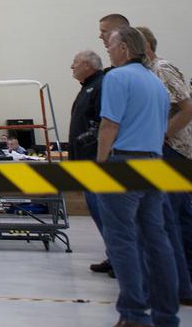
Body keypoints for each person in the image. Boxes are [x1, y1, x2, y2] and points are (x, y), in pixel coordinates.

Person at [97, 26, 181, 327]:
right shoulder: (155, 83)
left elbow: (109, 125)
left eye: (111, 44)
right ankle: (167, 315)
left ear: (124, 49)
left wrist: (101, 164)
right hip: (153, 164)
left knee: (122, 241)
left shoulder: (117, 77)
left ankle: (133, 314)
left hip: (124, 164)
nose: (107, 48)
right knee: (156, 241)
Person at [137, 26, 192, 299]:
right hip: (163, 151)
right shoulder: (147, 72)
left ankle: (191, 275)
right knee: (175, 215)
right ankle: (190, 273)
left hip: (172, 152)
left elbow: (188, 109)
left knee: (174, 216)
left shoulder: (162, 69)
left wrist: (161, 135)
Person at [68, 49, 108, 270]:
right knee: (97, 210)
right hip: (84, 160)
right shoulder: (88, 88)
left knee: (103, 210)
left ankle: (117, 259)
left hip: (95, 160)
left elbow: (104, 123)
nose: (72, 67)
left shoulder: (100, 86)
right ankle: (114, 255)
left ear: (88, 65)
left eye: (75, 63)